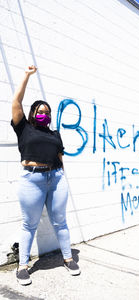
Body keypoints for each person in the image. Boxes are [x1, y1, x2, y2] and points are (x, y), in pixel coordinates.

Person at [11, 65, 80, 286]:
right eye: (40, 111)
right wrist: (27, 76)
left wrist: (59, 176)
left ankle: (68, 259)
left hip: (56, 179)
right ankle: (22, 267)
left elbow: (60, 158)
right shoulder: (24, 128)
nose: (44, 114)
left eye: (47, 112)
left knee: (60, 222)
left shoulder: (54, 134)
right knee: (29, 224)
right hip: (32, 180)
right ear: (32, 114)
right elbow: (16, 102)